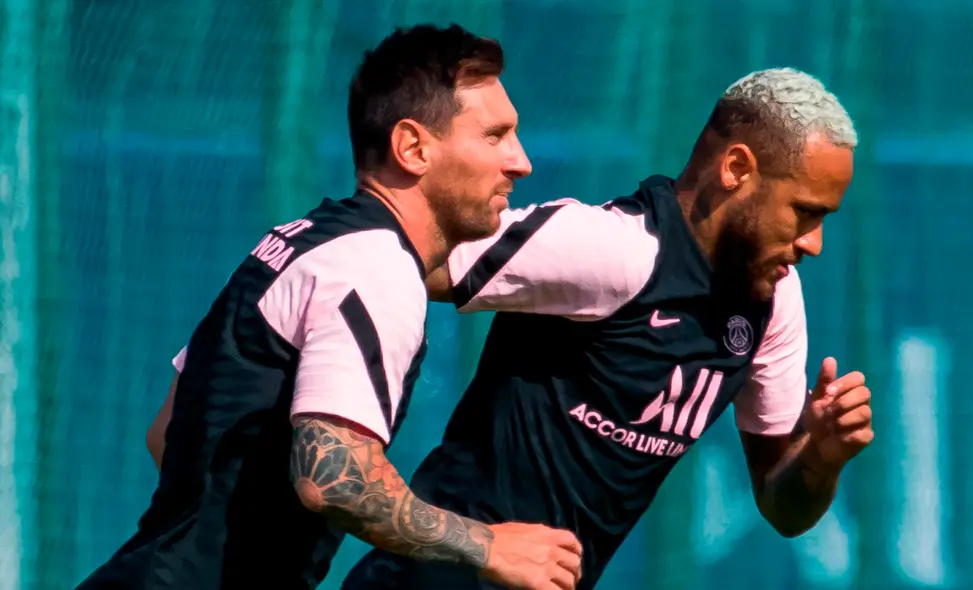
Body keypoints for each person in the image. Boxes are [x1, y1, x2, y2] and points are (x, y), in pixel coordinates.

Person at [74, 23, 585, 590]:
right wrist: (488, 545)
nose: (520, 162)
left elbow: (167, 430)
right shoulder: (374, 266)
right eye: (495, 136)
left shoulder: (304, 241)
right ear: (413, 148)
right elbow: (335, 479)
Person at [341, 67, 876, 590]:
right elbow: (405, 251)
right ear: (736, 167)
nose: (814, 244)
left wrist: (820, 458)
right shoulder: (613, 250)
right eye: (804, 213)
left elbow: (783, 508)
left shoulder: (773, 299)